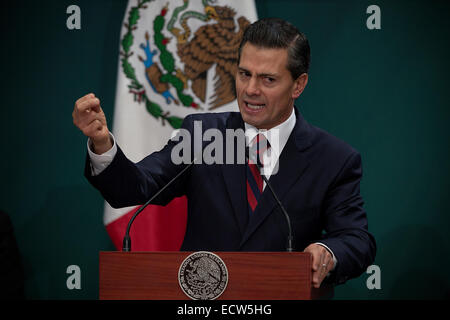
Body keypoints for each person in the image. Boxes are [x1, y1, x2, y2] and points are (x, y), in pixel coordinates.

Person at [73, 18, 376, 289]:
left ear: (298, 84)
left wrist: (327, 252)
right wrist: (102, 143)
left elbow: (356, 239)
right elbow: (135, 186)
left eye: (267, 79)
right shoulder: (203, 136)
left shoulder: (333, 159)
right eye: (244, 74)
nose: (250, 90)